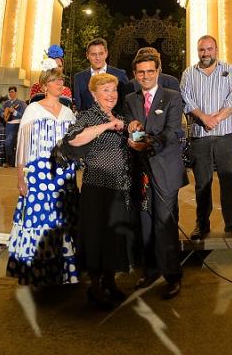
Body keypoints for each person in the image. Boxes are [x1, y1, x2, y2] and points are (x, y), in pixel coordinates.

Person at [65, 73, 136, 309]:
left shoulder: (122, 117)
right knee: (96, 235)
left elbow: (136, 142)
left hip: (119, 185)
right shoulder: (87, 116)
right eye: (105, 90)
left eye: (113, 90)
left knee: (113, 236)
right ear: (94, 94)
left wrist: (137, 136)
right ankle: (94, 285)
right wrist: (107, 125)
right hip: (96, 186)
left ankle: (109, 280)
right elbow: (73, 140)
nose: (111, 94)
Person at [7, 62, 79, 287]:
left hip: (64, 174)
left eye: (61, 80)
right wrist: (20, 177)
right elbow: (23, 147)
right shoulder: (33, 109)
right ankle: (39, 274)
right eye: (55, 80)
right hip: (39, 174)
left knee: (62, 221)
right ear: (45, 86)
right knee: (41, 222)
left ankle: (62, 273)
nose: (60, 84)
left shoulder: (68, 112)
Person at [125, 51, 187, 300]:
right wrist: (131, 130)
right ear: (135, 74)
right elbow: (130, 126)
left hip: (165, 172)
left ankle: (173, 275)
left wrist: (147, 142)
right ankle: (150, 270)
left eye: (150, 71)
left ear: (158, 72)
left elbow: (173, 133)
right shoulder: (130, 99)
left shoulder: (172, 97)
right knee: (146, 224)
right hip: (140, 173)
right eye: (141, 72)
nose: (146, 76)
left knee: (165, 224)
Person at [180, 35, 232, 239]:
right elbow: (185, 98)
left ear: (216, 50)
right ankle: (202, 225)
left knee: (229, 179)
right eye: (201, 50)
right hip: (201, 135)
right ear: (197, 51)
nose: (205, 53)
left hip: (227, 133)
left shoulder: (229, 70)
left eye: (209, 49)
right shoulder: (188, 74)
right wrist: (203, 117)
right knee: (202, 182)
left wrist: (216, 118)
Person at [72, 38, 129, 112]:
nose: (97, 58)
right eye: (93, 54)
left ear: (106, 53)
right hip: (88, 122)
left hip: (115, 121)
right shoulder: (79, 78)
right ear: (87, 55)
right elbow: (78, 106)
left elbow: (126, 103)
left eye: (101, 54)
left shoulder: (120, 75)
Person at [1, 86, 27, 168]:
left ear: (16, 92)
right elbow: (0, 112)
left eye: (12, 92)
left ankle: (15, 163)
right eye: (10, 92)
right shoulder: (6, 103)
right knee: (8, 144)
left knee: (15, 144)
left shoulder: (21, 103)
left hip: (17, 124)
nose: (11, 93)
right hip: (8, 124)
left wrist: (14, 112)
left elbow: (23, 115)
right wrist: (3, 114)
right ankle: (9, 162)